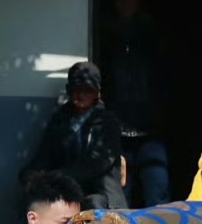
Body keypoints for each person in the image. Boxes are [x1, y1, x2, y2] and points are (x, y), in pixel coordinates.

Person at [99, 0, 168, 207]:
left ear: (139, 1)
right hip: (117, 128)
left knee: (157, 189)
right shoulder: (105, 34)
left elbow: (163, 78)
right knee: (121, 195)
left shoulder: (152, 33)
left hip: (151, 127)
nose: (124, 3)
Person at [22, 62, 125, 209]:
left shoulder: (107, 122)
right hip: (69, 192)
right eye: (76, 89)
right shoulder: (60, 120)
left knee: (93, 204)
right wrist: (31, 174)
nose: (81, 95)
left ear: (97, 93)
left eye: (87, 90)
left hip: (102, 194)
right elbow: (46, 153)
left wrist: (58, 176)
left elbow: (98, 163)